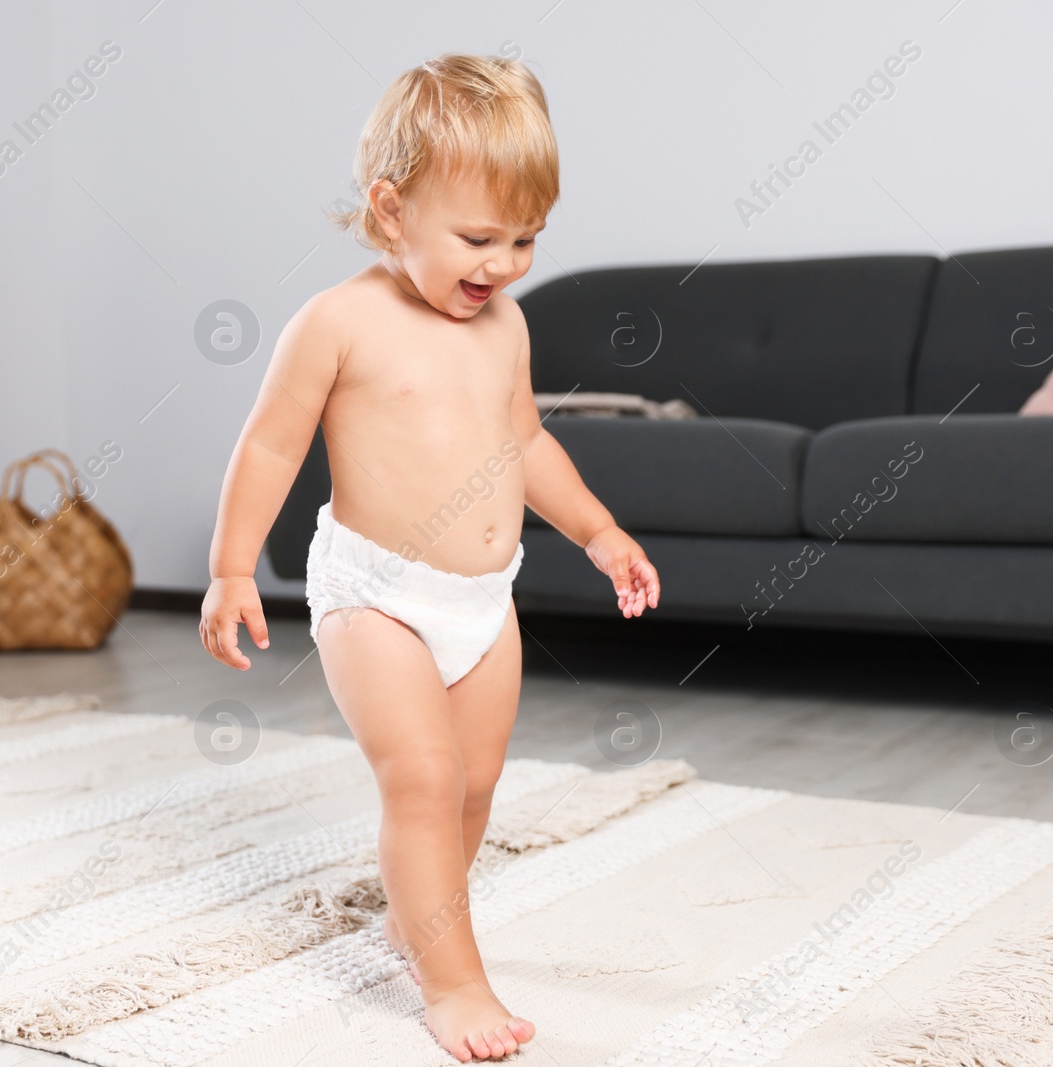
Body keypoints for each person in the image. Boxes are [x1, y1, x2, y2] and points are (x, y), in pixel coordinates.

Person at [200, 52, 660, 1062]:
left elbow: (526, 441)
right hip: (377, 594)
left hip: (482, 600)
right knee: (421, 773)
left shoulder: (506, 324)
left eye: (526, 239)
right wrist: (234, 565)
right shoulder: (339, 321)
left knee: (477, 779)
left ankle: (420, 916)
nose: (501, 263)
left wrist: (597, 529)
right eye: (478, 237)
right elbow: (271, 442)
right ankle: (452, 980)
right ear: (392, 208)